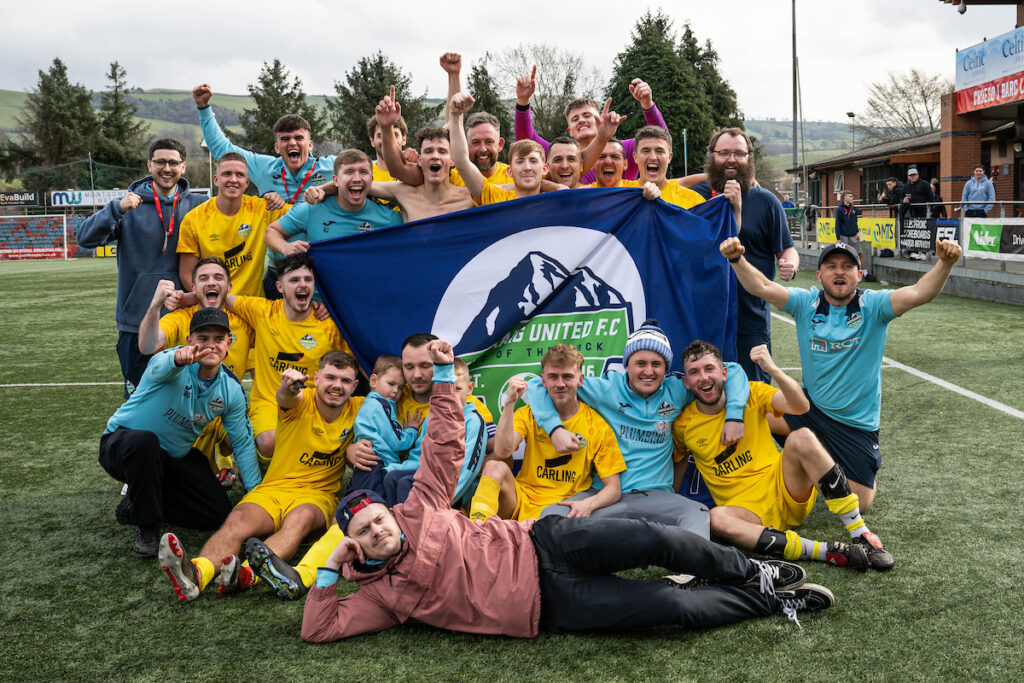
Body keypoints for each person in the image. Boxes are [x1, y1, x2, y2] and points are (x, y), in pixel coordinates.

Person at [301, 340, 834, 642]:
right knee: (671, 604)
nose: (377, 531)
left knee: (658, 540)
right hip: (545, 603)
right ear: (355, 548)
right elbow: (319, 627)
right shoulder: (381, 597)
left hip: (543, 539)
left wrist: (443, 376)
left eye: (378, 521)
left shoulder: (417, 508)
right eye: (364, 534)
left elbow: (444, 442)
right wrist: (328, 572)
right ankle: (769, 601)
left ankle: (752, 569)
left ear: (392, 515)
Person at [718, 237, 963, 567]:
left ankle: (816, 459)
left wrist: (945, 263)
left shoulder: (873, 307)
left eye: (847, 266)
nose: (839, 272)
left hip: (854, 426)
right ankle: (782, 463)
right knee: (748, 413)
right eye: (831, 266)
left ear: (859, 274)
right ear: (818, 275)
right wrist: (736, 260)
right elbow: (761, 285)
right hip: (809, 409)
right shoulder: (805, 303)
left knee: (860, 503)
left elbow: (920, 292)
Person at [243, 333, 495, 600]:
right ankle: (298, 573)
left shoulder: (464, 404)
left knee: (364, 510)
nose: (417, 374)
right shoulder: (396, 392)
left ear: (440, 365)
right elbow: (361, 423)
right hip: (392, 480)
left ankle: (311, 572)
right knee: (362, 499)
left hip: (423, 496)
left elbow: (486, 454)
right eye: (409, 367)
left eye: (425, 366)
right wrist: (350, 449)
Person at [158, 351, 363, 601]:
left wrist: (355, 448)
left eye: (344, 381)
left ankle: (245, 574)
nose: (336, 386)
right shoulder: (302, 399)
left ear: (354, 385)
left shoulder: (361, 408)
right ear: (317, 378)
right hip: (273, 488)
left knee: (301, 518)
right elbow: (287, 398)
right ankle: (197, 573)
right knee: (238, 520)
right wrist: (288, 385)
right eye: (330, 377)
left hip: (316, 496)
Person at [673, 341, 887, 571]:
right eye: (694, 372)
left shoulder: (751, 393)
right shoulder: (683, 424)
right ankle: (826, 551)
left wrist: (773, 370)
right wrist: (669, 503)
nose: (703, 377)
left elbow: (801, 406)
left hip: (785, 489)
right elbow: (679, 463)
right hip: (747, 513)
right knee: (716, 519)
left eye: (709, 369)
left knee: (802, 436)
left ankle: (861, 533)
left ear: (724, 373)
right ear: (686, 382)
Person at [526, 320, 751, 537]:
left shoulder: (677, 390)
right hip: (605, 495)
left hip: (656, 497)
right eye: (640, 363)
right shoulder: (606, 389)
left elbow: (731, 370)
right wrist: (555, 429)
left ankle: (693, 571)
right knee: (552, 514)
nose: (648, 371)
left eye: (656, 364)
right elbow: (537, 384)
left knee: (697, 512)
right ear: (626, 366)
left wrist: (734, 415)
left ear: (666, 368)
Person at [98, 308, 258, 558]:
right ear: (189, 342)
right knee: (145, 442)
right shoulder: (170, 360)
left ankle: (138, 503)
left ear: (229, 343)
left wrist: (256, 495)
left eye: (218, 339)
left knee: (216, 513)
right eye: (202, 338)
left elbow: (243, 444)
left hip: (170, 459)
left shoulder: (231, 390)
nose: (210, 345)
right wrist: (177, 359)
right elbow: (160, 366)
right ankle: (147, 526)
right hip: (123, 444)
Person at [76, 139, 207, 398]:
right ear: (149, 165)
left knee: (189, 400)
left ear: (183, 167)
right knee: (139, 400)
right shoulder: (127, 205)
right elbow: (84, 239)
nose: (166, 168)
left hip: (185, 322)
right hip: (136, 323)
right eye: (160, 162)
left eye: (173, 162)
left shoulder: (199, 206)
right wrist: (116, 209)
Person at [192, 84, 334, 296]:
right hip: (277, 272)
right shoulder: (265, 168)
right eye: (285, 139)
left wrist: (326, 189)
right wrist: (204, 109)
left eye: (298, 138)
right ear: (277, 148)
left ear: (310, 144)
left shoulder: (331, 166)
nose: (292, 143)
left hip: (322, 271)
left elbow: (369, 171)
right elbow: (223, 150)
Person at [469, 344, 626, 522]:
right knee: (493, 466)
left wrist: (588, 504)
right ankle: (476, 529)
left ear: (580, 379)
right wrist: (509, 404)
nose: (560, 384)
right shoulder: (528, 413)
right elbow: (502, 451)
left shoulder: (596, 425)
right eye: (553, 377)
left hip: (562, 508)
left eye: (567, 377)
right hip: (522, 499)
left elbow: (613, 489)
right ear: (543, 381)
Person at [138, 257, 255, 485]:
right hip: (182, 414)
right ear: (193, 288)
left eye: (218, 278)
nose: (211, 283)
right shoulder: (181, 318)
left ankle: (227, 461)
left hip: (223, 412)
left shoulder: (245, 322)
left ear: (229, 288)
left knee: (259, 434)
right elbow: (148, 346)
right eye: (204, 278)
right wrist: (155, 306)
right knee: (181, 479)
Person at [225, 253, 348, 464]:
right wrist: (189, 297)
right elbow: (223, 297)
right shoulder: (263, 312)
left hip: (311, 404)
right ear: (280, 287)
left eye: (307, 280)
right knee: (269, 443)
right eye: (294, 280)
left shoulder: (328, 326)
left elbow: (348, 365)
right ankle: (265, 472)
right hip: (268, 402)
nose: (302, 285)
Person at [705, 127, 798, 384]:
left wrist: (790, 263)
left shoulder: (766, 201)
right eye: (724, 153)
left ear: (749, 159)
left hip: (751, 320)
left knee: (754, 398)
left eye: (739, 153)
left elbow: (786, 247)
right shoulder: (695, 197)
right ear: (712, 156)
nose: (731, 159)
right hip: (704, 316)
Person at [514, 65, 669, 184]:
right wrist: (523, 101)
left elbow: (660, 139)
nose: (581, 120)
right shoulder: (561, 156)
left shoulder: (624, 150)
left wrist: (647, 104)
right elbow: (526, 142)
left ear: (600, 119)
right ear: (570, 131)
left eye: (587, 115)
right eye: (575, 119)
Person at [176, 153, 289, 301]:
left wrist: (324, 190)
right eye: (227, 174)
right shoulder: (194, 218)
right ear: (216, 179)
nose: (233, 179)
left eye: (239, 175)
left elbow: (305, 214)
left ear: (247, 182)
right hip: (215, 309)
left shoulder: (263, 209)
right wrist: (209, 300)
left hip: (251, 309)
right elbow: (187, 273)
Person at [265, 149, 401, 259]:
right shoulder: (311, 210)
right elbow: (271, 231)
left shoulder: (389, 218)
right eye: (349, 172)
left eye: (363, 172)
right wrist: (285, 247)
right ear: (335, 180)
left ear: (371, 180)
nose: (357, 178)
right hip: (320, 293)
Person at [345, 355, 423, 495]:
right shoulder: (382, 405)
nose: (395, 391)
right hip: (376, 465)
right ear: (373, 381)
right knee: (376, 508)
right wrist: (411, 430)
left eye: (400, 387)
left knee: (361, 506)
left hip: (365, 467)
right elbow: (398, 441)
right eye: (391, 384)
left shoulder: (369, 403)